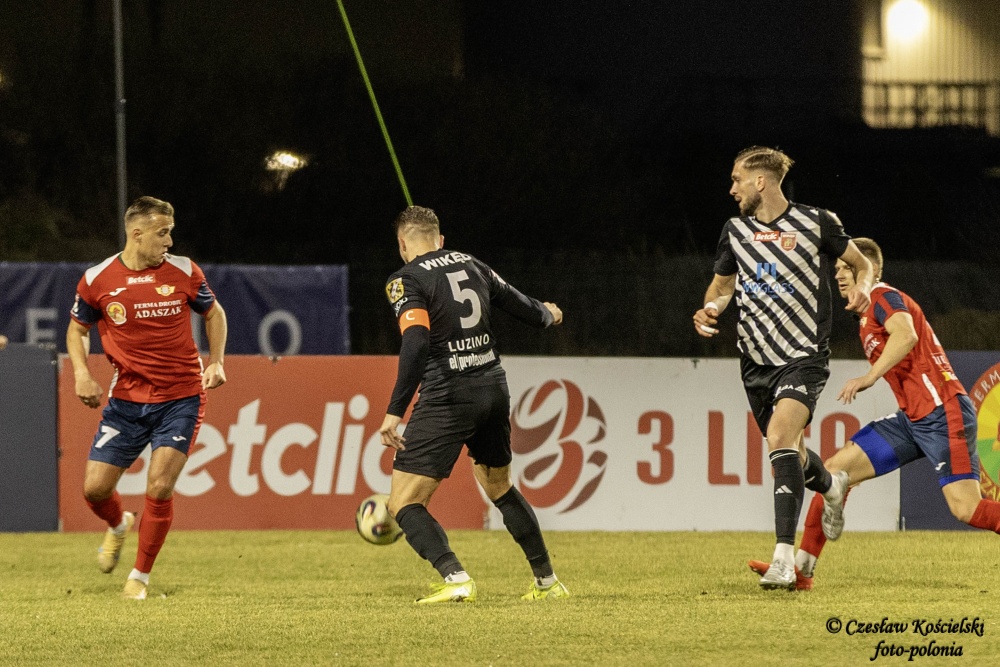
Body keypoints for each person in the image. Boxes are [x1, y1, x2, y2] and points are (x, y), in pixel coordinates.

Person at [749, 237, 1000, 588]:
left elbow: (906, 335)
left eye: (847, 268)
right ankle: (801, 571)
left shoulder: (882, 296)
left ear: (870, 270)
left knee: (966, 509)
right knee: (834, 472)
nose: (838, 275)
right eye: (837, 269)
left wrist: (869, 377)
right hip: (912, 420)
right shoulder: (867, 313)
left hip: (944, 413)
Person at [692, 146, 874, 590]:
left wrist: (864, 288)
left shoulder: (817, 222)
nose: (732, 189)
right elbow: (721, 286)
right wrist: (710, 309)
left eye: (737, 179)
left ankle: (782, 559)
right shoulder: (734, 230)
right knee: (792, 453)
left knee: (780, 437)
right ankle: (831, 485)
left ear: (761, 181)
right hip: (755, 361)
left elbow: (861, 262)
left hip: (803, 357)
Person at [378, 205, 568, 604]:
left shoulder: (405, 279)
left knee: (403, 502)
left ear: (402, 244)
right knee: (500, 486)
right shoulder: (471, 263)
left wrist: (395, 410)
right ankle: (548, 582)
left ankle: (456, 577)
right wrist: (548, 316)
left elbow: (416, 341)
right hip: (493, 388)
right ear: (440, 239)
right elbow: (522, 305)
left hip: (449, 393)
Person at [66, 196, 227, 600]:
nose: (169, 241)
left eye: (170, 232)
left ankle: (139, 577)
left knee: (159, 485)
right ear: (137, 234)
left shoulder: (184, 270)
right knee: (94, 490)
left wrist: (216, 362)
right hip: (126, 401)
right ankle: (118, 523)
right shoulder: (97, 279)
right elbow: (78, 329)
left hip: (181, 397)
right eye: (162, 233)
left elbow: (214, 313)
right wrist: (82, 374)